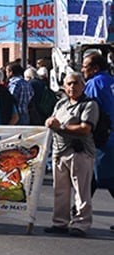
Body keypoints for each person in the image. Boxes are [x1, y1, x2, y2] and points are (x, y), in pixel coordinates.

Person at [44, 72, 97, 237]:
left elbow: (85, 128)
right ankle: (60, 222)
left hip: (79, 152)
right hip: (59, 152)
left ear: (83, 86)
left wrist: (60, 127)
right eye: (69, 84)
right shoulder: (61, 104)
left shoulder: (89, 105)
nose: (72, 87)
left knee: (81, 191)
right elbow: (53, 120)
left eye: (75, 83)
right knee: (60, 190)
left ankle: (81, 224)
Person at [79, 52, 114, 198]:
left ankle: (79, 211)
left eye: (85, 66)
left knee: (104, 177)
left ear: (95, 68)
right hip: (111, 136)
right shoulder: (111, 80)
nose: (82, 70)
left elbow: (87, 108)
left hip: (102, 137)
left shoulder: (94, 84)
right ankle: (78, 210)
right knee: (93, 177)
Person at [6, 61, 33, 125]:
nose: (6, 74)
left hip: (16, 115)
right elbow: (32, 94)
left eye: (6, 72)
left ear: (11, 72)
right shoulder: (26, 83)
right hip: (25, 113)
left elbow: (10, 98)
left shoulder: (14, 83)